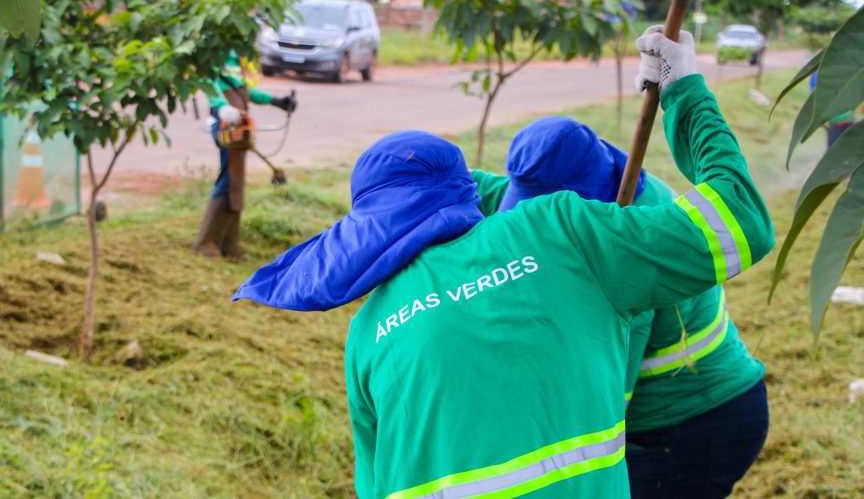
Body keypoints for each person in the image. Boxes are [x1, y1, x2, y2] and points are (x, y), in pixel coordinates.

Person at [232, 27, 775, 497]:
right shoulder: (560, 225)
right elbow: (744, 217)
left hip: (697, 419)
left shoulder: (367, 331)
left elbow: (374, 483)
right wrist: (685, 91)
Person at [473, 114, 768, 498]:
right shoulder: (598, 187)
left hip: (693, 424)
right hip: (673, 422)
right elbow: (493, 195)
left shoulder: (632, 244)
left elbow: (605, 397)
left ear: (578, 198)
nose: (533, 220)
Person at [193, 52, 295, 258]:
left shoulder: (234, 52)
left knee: (236, 179)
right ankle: (206, 241)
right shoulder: (216, 46)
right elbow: (206, 81)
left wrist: (275, 101)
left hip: (240, 121)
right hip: (226, 122)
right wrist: (221, 107)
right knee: (228, 178)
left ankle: (229, 243)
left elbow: (243, 91)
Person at [809, 71, 855, 148]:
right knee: (835, 149)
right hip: (836, 124)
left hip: (847, 122)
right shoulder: (820, 73)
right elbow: (816, 94)